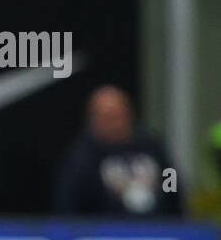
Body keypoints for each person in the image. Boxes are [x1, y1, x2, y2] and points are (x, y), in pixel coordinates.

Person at [54, 85, 182, 217]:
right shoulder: (81, 159)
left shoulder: (152, 148)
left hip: (158, 231)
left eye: (120, 115)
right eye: (108, 117)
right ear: (93, 119)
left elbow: (172, 188)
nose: (116, 123)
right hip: (103, 233)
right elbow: (69, 206)